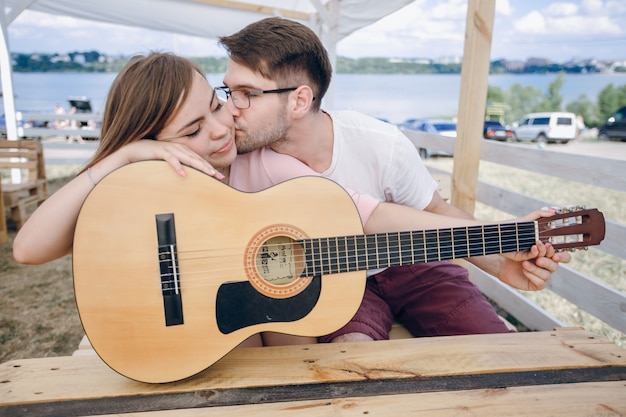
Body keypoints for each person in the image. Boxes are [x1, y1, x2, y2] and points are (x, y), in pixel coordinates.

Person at [13, 52, 558, 348]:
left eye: (217, 104)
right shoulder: (143, 183)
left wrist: (501, 236)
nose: (222, 128)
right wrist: (124, 159)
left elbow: (369, 215)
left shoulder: (264, 166)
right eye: (192, 130)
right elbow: (29, 250)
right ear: (152, 138)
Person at [218, 17, 571, 342]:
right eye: (228, 91)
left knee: (493, 345)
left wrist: (498, 259)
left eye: (247, 94)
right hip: (337, 283)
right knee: (351, 362)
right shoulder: (237, 155)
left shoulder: (380, 143)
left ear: (299, 100)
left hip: (413, 265)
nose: (230, 107)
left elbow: (436, 210)